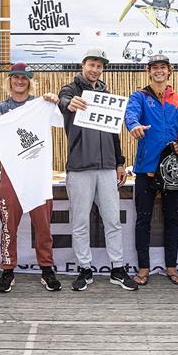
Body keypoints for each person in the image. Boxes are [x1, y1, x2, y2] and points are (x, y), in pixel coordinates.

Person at [0, 63, 62, 293]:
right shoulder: (2, 108)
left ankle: (46, 268)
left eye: (24, 78)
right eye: (16, 77)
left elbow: (60, 118)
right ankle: (7, 269)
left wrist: (52, 99)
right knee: (8, 226)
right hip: (11, 176)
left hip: (38, 175)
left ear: (30, 82)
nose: (20, 81)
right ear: (10, 81)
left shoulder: (39, 105)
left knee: (43, 226)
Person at [58, 49, 137, 291]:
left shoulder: (107, 95)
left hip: (106, 168)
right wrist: (69, 104)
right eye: (92, 64)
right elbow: (62, 102)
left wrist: (120, 162)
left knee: (112, 220)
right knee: (80, 221)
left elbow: (114, 133)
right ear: (83, 65)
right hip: (80, 167)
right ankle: (85, 269)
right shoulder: (70, 90)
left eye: (99, 66)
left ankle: (117, 269)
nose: (95, 69)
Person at [124, 54, 178, 286]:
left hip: (171, 171)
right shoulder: (139, 96)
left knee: (172, 218)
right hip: (145, 169)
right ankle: (143, 269)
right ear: (148, 71)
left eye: (163, 67)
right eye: (155, 68)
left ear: (169, 71)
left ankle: (171, 267)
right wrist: (134, 126)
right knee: (143, 219)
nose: (159, 71)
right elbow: (130, 115)